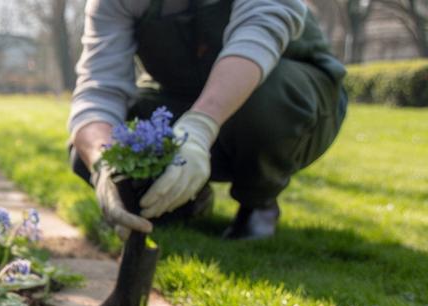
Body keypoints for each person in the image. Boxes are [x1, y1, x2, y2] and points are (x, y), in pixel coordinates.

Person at [68, 0, 348, 240]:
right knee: (100, 146)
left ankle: (258, 199)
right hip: (183, 96)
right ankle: (183, 202)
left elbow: (258, 35)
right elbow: (100, 89)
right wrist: (104, 163)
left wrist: (201, 126)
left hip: (288, 97)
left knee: (263, 102)